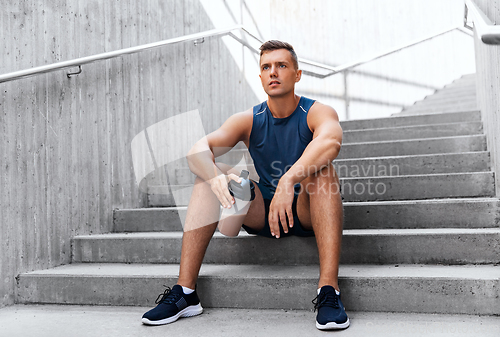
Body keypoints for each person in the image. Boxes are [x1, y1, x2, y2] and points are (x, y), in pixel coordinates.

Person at [142, 40, 349, 331]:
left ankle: (329, 291)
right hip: (263, 212)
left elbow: (331, 140)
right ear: (261, 76)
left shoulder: (316, 112)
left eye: (281, 66)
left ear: (297, 75)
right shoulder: (250, 119)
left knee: (324, 171)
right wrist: (215, 177)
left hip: (307, 210)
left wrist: (289, 180)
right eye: (266, 67)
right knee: (208, 174)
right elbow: (198, 149)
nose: (273, 72)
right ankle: (186, 293)